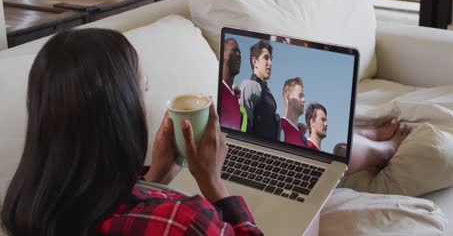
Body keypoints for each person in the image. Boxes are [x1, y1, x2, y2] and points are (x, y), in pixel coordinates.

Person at [0, 29, 263, 236]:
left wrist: (154, 178)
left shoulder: (24, 208)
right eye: (143, 90)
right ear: (122, 112)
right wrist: (213, 183)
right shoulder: (184, 222)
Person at [239, 40, 279, 140]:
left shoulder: (268, 93)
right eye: (266, 58)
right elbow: (244, 125)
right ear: (255, 61)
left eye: (271, 59)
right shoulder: (250, 85)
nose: (270, 63)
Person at [220, 38, 244, 131]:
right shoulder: (217, 90)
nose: (239, 55)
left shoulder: (236, 97)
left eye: (239, 52)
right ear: (223, 54)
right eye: (234, 51)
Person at [279, 77, 308, 147]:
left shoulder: (303, 138)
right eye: (300, 96)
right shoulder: (279, 127)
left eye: (303, 96)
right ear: (289, 97)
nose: (304, 100)